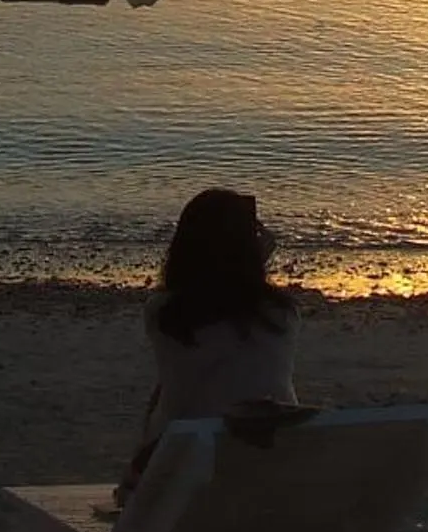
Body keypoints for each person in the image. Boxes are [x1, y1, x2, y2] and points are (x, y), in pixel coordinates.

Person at [118, 187, 299, 499]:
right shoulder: (283, 314)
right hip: (271, 473)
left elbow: (179, 380)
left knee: (167, 391)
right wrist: (254, 265)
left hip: (184, 476)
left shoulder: (165, 313)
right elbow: (237, 306)